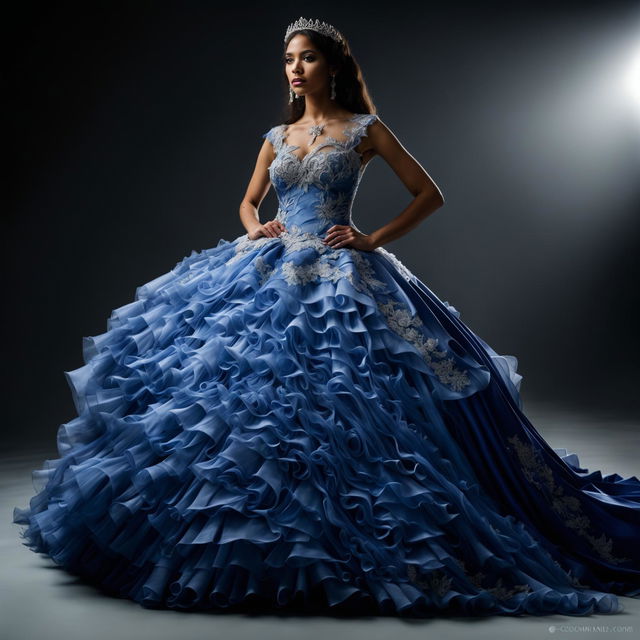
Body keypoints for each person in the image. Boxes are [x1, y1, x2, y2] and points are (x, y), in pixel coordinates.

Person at [13, 16, 639, 617]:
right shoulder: (276, 137)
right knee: (235, 398)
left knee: (356, 400)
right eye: (288, 59)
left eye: (306, 58)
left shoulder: (365, 128)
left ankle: (349, 535)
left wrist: (373, 239)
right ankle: (249, 539)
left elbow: (430, 194)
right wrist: (258, 228)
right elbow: (248, 201)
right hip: (270, 265)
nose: (295, 69)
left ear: (331, 66)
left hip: (345, 273)